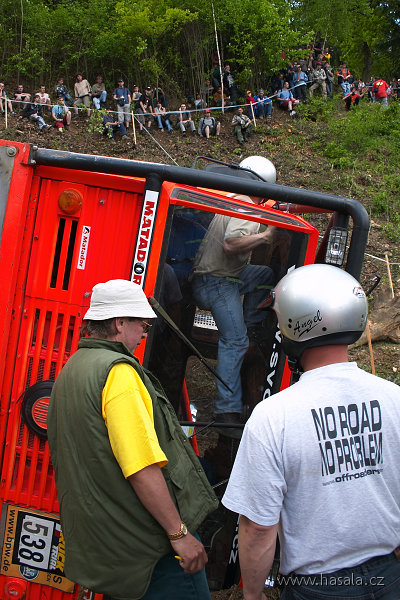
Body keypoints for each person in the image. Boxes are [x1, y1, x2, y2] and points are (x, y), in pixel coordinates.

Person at [222, 263, 400, 600]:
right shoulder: (395, 399)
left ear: (296, 325)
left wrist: (253, 595)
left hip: (316, 588)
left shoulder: (275, 416)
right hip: (388, 577)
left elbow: (259, 528)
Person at [47, 279, 218, 600]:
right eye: (141, 323)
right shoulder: (118, 373)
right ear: (118, 322)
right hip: (150, 548)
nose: (144, 331)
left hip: (112, 547)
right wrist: (179, 534)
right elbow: (141, 467)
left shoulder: (73, 369)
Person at [191, 157, 276, 437]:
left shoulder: (232, 197)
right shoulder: (245, 205)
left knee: (263, 275)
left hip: (225, 276)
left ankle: (250, 327)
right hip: (216, 282)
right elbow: (231, 244)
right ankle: (226, 411)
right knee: (235, 341)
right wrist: (265, 237)